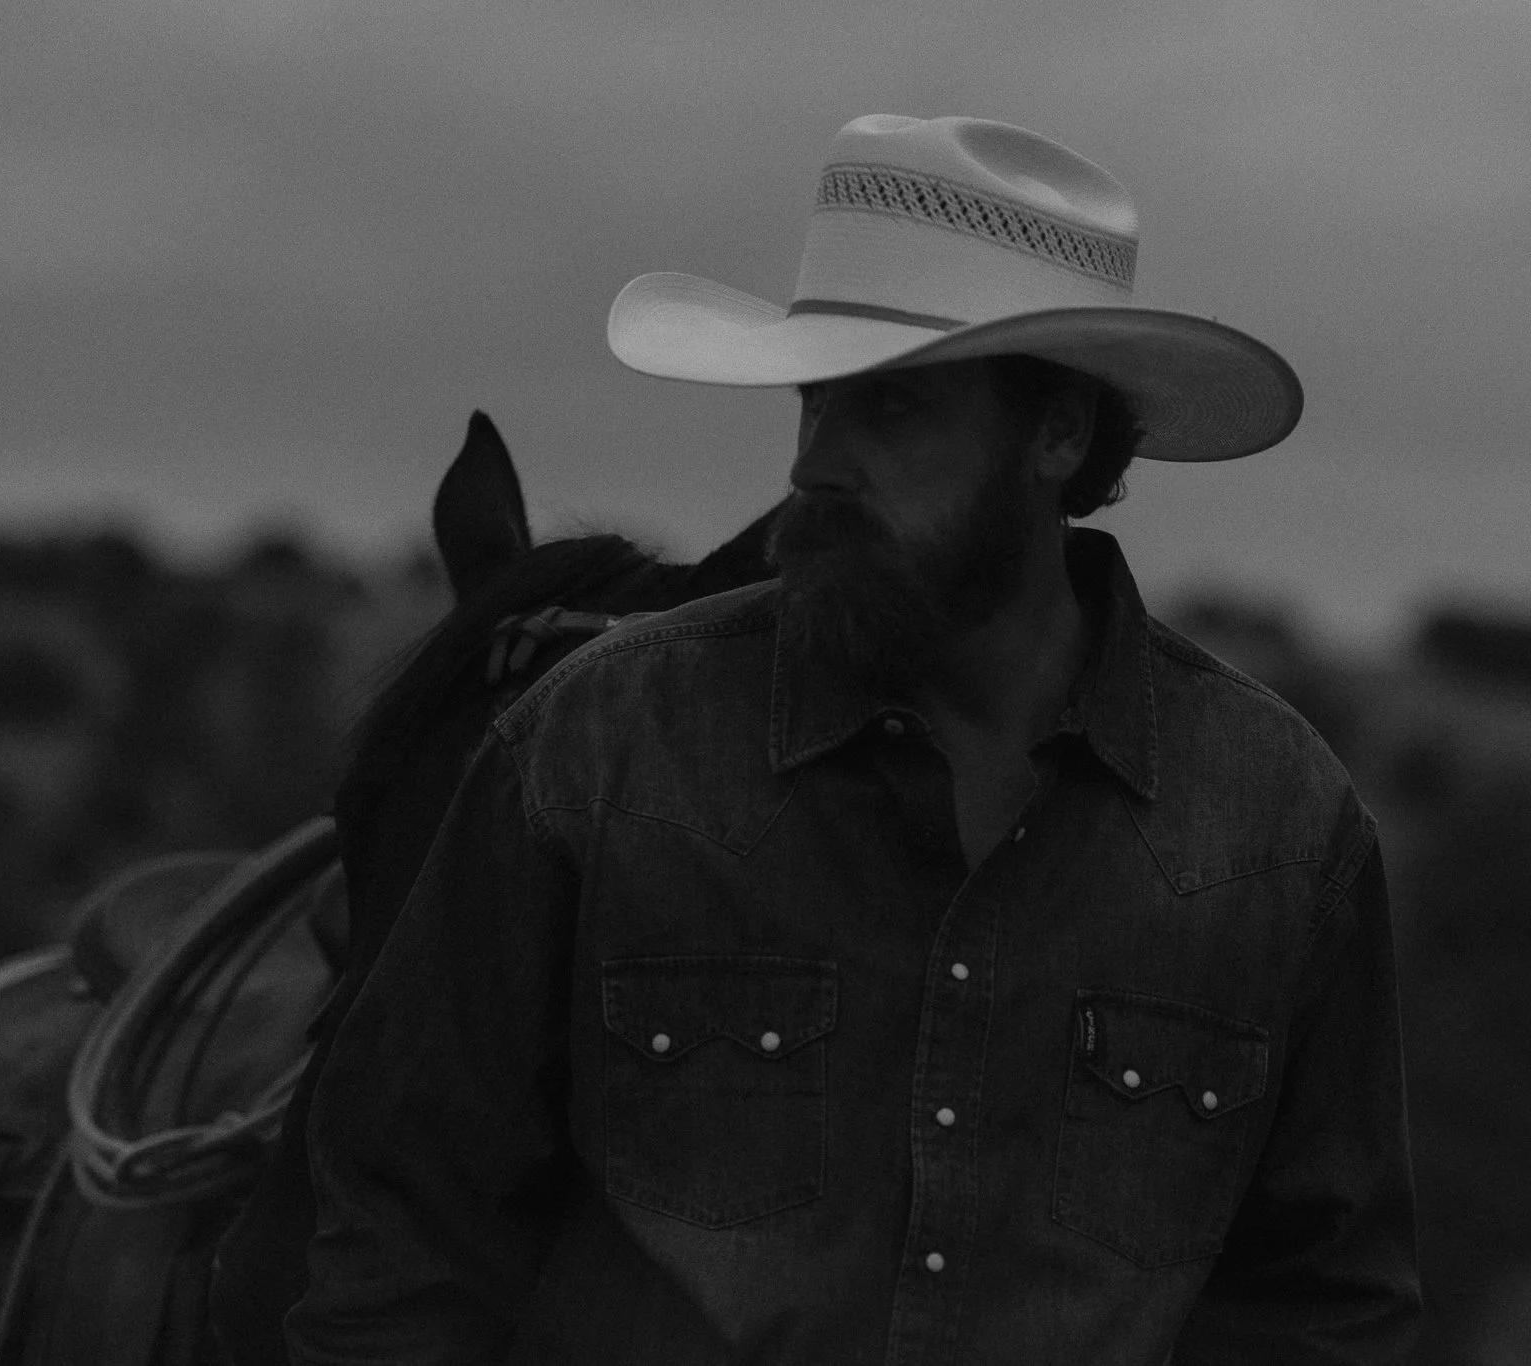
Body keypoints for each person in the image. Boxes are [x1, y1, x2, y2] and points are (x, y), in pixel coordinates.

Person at [284, 114, 1420, 1364]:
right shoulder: (592, 753)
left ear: (1055, 435)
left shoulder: (1273, 828)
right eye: (812, 401)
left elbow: (1321, 1306)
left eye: (889, 406)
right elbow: (400, 1239)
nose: (815, 464)